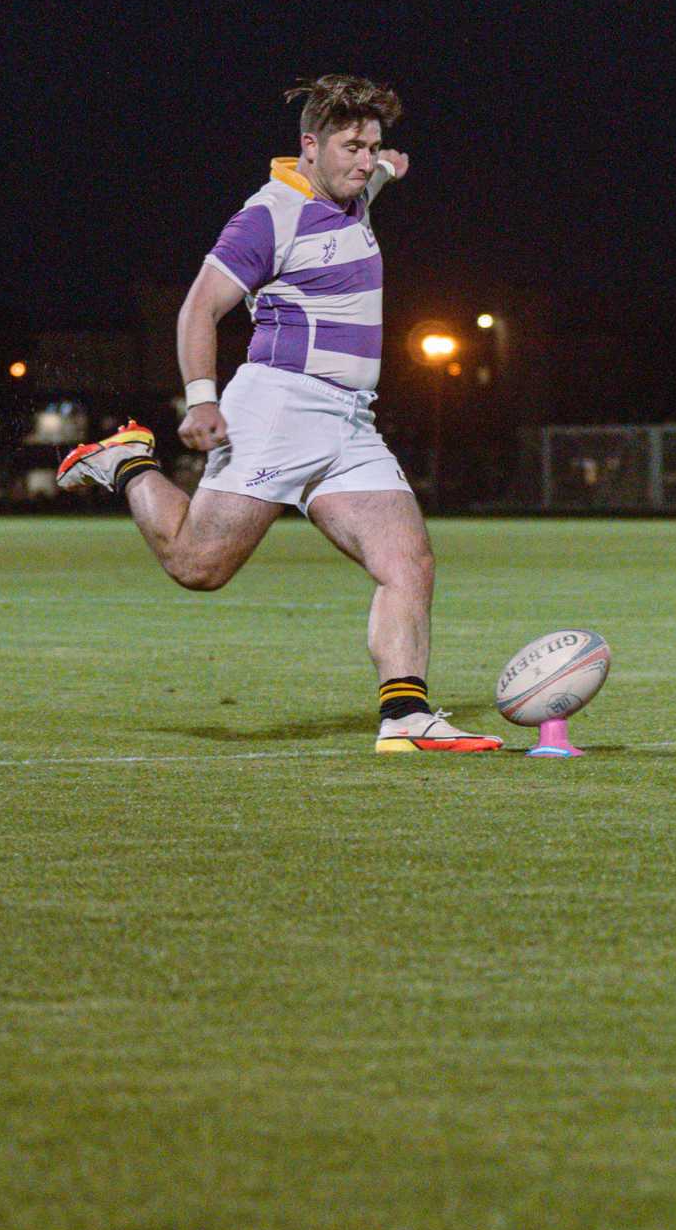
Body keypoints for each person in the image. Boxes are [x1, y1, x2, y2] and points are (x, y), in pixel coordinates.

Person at [57, 74, 501, 754]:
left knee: (408, 561)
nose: (364, 160)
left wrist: (386, 170)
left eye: (374, 146)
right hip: (278, 408)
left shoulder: (355, 190)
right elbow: (199, 308)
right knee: (197, 567)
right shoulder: (268, 215)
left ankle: (406, 716)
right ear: (309, 146)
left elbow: (373, 176)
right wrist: (201, 399)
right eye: (352, 147)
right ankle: (128, 464)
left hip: (350, 421)